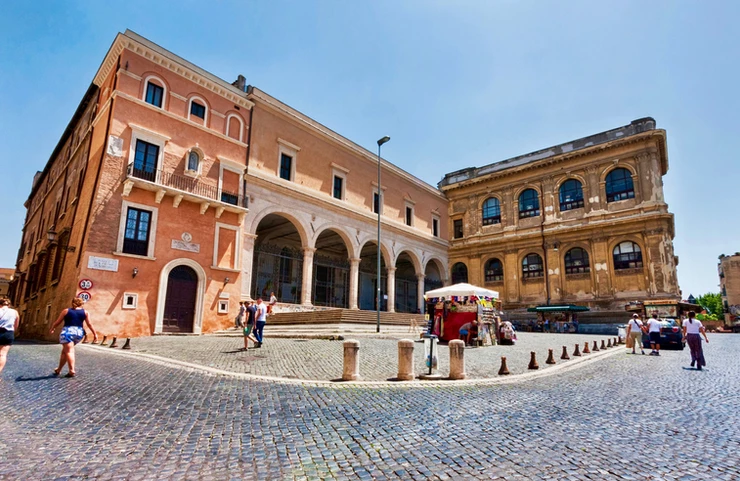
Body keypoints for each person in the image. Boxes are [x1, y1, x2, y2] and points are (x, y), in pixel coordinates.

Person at [49, 298, 98, 377]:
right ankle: (59, 369)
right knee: (65, 351)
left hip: (68, 332)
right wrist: (95, 334)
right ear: (82, 304)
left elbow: (58, 322)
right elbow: (89, 324)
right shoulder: (85, 312)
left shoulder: (66, 311)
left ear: (72, 303)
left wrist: (52, 328)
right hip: (79, 333)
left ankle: (72, 370)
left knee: (69, 351)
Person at [0, 298, 20, 374]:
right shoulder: (15, 312)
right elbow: (16, 325)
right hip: (8, 333)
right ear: (9, 305)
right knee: (2, 354)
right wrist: (12, 332)